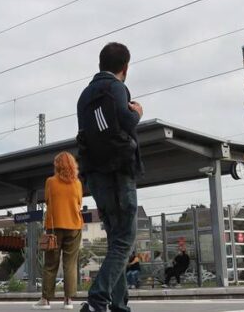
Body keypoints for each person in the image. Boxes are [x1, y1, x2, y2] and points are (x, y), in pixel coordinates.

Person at [76, 42, 143, 312]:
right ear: (125, 68)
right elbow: (125, 123)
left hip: (96, 175)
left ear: (100, 63)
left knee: (116, 241)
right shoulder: (117, 88)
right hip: (118, 173)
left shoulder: (83, 96)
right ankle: (97, 300)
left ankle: (118, 306)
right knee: (125, 239)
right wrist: (137, 112)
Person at [33, 152, 83, 310]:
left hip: (54, 228)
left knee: (50, 264)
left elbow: (48, 201)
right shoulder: (78, 183)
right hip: (74, 226)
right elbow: (79, 203)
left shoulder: (50, 182)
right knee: (70, 264)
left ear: (57, 165)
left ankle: (46, 300)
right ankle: (68, 301)